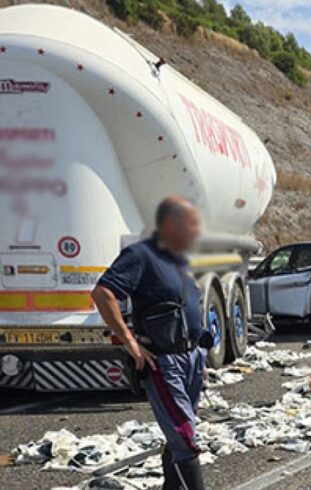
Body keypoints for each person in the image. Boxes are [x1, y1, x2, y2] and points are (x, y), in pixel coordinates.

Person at [91, 196, 207, 490]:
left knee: (181, 432)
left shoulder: (177, 260)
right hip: (163, 360)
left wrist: (199, 354)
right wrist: (129, 340)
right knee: (184, 437)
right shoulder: (140, 255)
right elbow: (103, 293)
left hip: (190, 358)